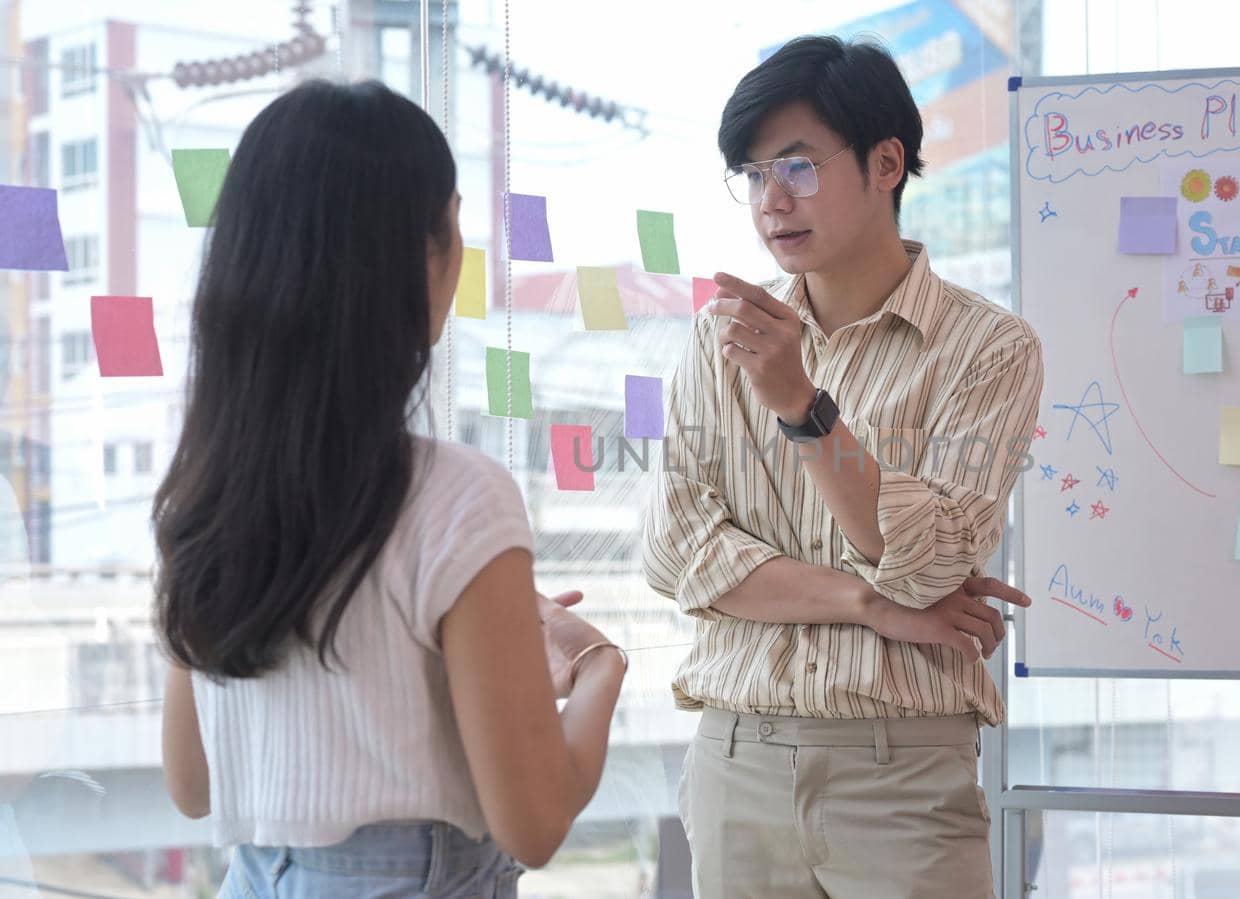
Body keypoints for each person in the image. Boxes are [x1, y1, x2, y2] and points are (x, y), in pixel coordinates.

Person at [154, 79, 625, 898]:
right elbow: (537, 821)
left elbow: (193, 785)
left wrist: (480, 646)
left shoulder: (206, 487)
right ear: (416, 254)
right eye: (454, 223)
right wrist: (598, 667)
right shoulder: (458, 496)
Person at [644, 36, 1043, 899]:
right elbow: (677, 553)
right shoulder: (721, 343)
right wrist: (869, 603)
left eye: (797, 166)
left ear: (887, 162)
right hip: (736, 755)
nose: (771, 201)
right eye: (753, 176)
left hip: (901, 770)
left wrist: (802, 406)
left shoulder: (988, 349)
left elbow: (933, 562)